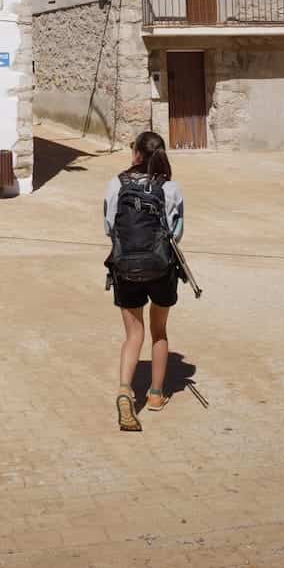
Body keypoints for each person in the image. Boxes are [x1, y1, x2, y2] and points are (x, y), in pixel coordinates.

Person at [103, 130, 184, 432]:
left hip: (125, 269)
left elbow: (109, 226)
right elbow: (177, 232)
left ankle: (125, 390)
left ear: (136, 153)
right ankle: (156, 395)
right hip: (161, 268)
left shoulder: (116, 184)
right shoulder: (171, 188)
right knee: (159, 331)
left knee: (132, 334)